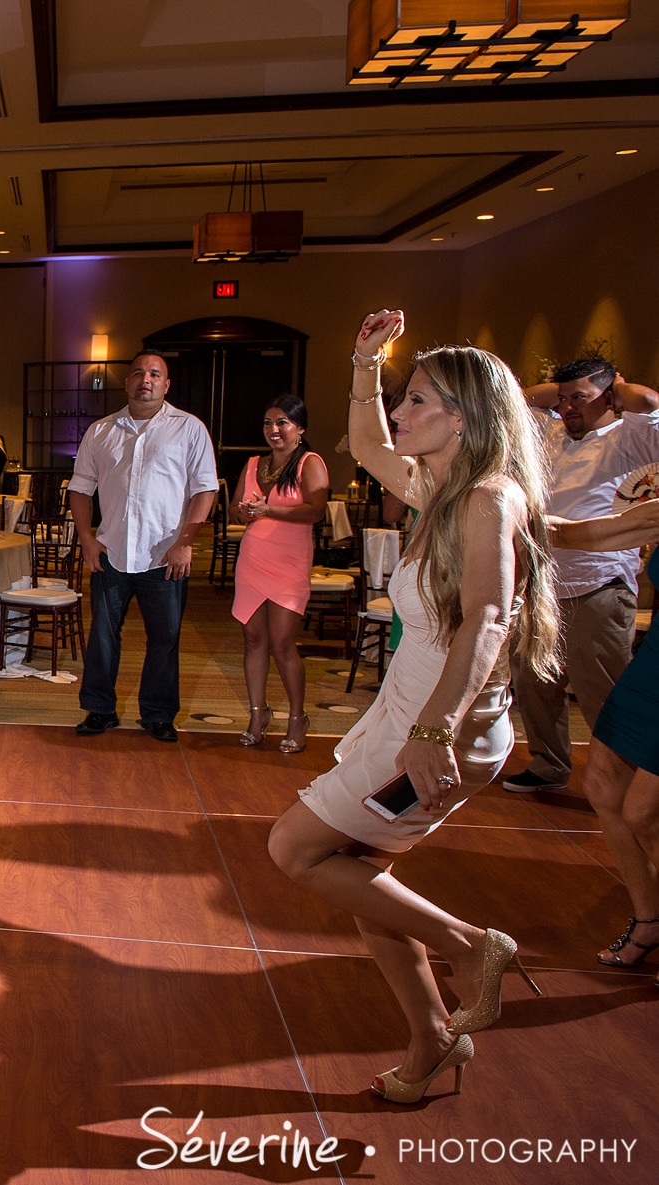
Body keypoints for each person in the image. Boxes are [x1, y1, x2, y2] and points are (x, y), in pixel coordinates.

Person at [268, 309, 558, 1104]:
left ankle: (473, 946)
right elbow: (367, 445)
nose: (400, 413)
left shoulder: (490, 499)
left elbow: (489, 619)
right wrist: (365, 363)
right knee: (362, 876)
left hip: (435, 725)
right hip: (415, 714)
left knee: (294, 849)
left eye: (417, 399)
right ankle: (432, 1038)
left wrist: (433, 730)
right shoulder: (442, 484)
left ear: (464, 415)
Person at [502, 359, 659, 793]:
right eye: (564, 398)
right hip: (543, 586)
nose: (568, 407)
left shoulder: (631, 437)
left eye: (580, 399)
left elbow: (647, 401)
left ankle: (626, 784)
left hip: (599, 588)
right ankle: (549, 766)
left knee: (604, 694)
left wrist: (619, 386)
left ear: (609, 398)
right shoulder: (550, 433)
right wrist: (566, 393)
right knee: (535, 683)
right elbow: (518, 399)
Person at [69, 351, 217, 743]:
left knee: (165, 639)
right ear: (127, 381)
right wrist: (87, 539)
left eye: (154, 374)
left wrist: (185, 543)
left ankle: (157, 714)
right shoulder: (101, 431)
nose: (145, 380)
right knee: (102, 636)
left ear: (166, 385)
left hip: (165, 556)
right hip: (111, 553)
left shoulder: (189, 429)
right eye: (138, 373)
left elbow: (205, 491)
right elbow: (80, 489)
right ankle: (99, 709)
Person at [547, 495, 659, 977]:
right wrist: (502, 505)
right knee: (603, 788)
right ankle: (650, 921)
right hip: (655, 664)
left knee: (644, 813)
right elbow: (585, 535)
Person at [231, 396, 330, 754]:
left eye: (282, 423)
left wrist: (268, 509)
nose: (273, 430)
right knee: (254, 640)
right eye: (268, 423)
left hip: (289, 563)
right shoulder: (254, 462)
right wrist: (243, 512)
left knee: (283, 643)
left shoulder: (309, 462)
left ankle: (296, 717)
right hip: (253, 560)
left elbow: (316, 511)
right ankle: (259, 714)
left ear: (300, 428)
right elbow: (234, 512)